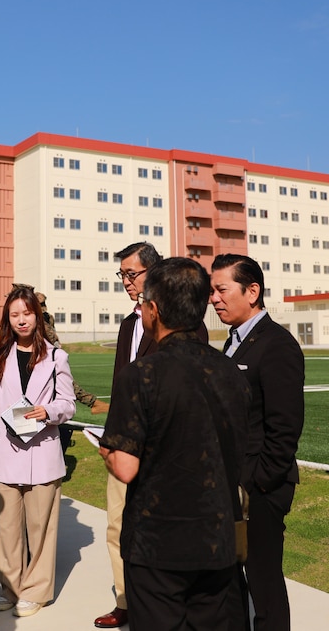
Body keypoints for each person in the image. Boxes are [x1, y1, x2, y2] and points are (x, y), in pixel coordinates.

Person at [101, 257, 251, 630]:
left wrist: (106, 449)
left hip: (157, 543)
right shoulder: (230, 370)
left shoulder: (141, 374)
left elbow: (125, 466)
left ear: (152, 310)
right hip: (218, 537)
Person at [98, 240, 211, 630]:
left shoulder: (188, 324)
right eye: (123, 275)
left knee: (162, 527)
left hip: (166, 448)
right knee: (117, 526)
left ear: (155, 272)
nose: (127, 282)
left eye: (133, 274)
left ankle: (163, 603)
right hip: (125, 445)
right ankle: (125, 599)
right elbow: (122, 385)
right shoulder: (129, 323)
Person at [210, 253, 304, 630]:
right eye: (211, 291)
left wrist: (259, 481)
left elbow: (285, 427)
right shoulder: (233, 341)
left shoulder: (276, 345)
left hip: (261, 486)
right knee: (231, 575)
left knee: (263, 579)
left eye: (221, 290)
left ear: (252, 292)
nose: (214, 299)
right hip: (232, 483)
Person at [0, 284, 76, 618]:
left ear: (37, 316)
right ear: (7, 319)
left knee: (41, 529)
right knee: (7, 529)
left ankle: (36, 590)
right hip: (4, 454)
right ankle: (10, 586)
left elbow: (68, 404)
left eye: (27, 313)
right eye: (14, 315)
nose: (21, 320)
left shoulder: (56, 357)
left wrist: (49, 411)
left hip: (43, 454)